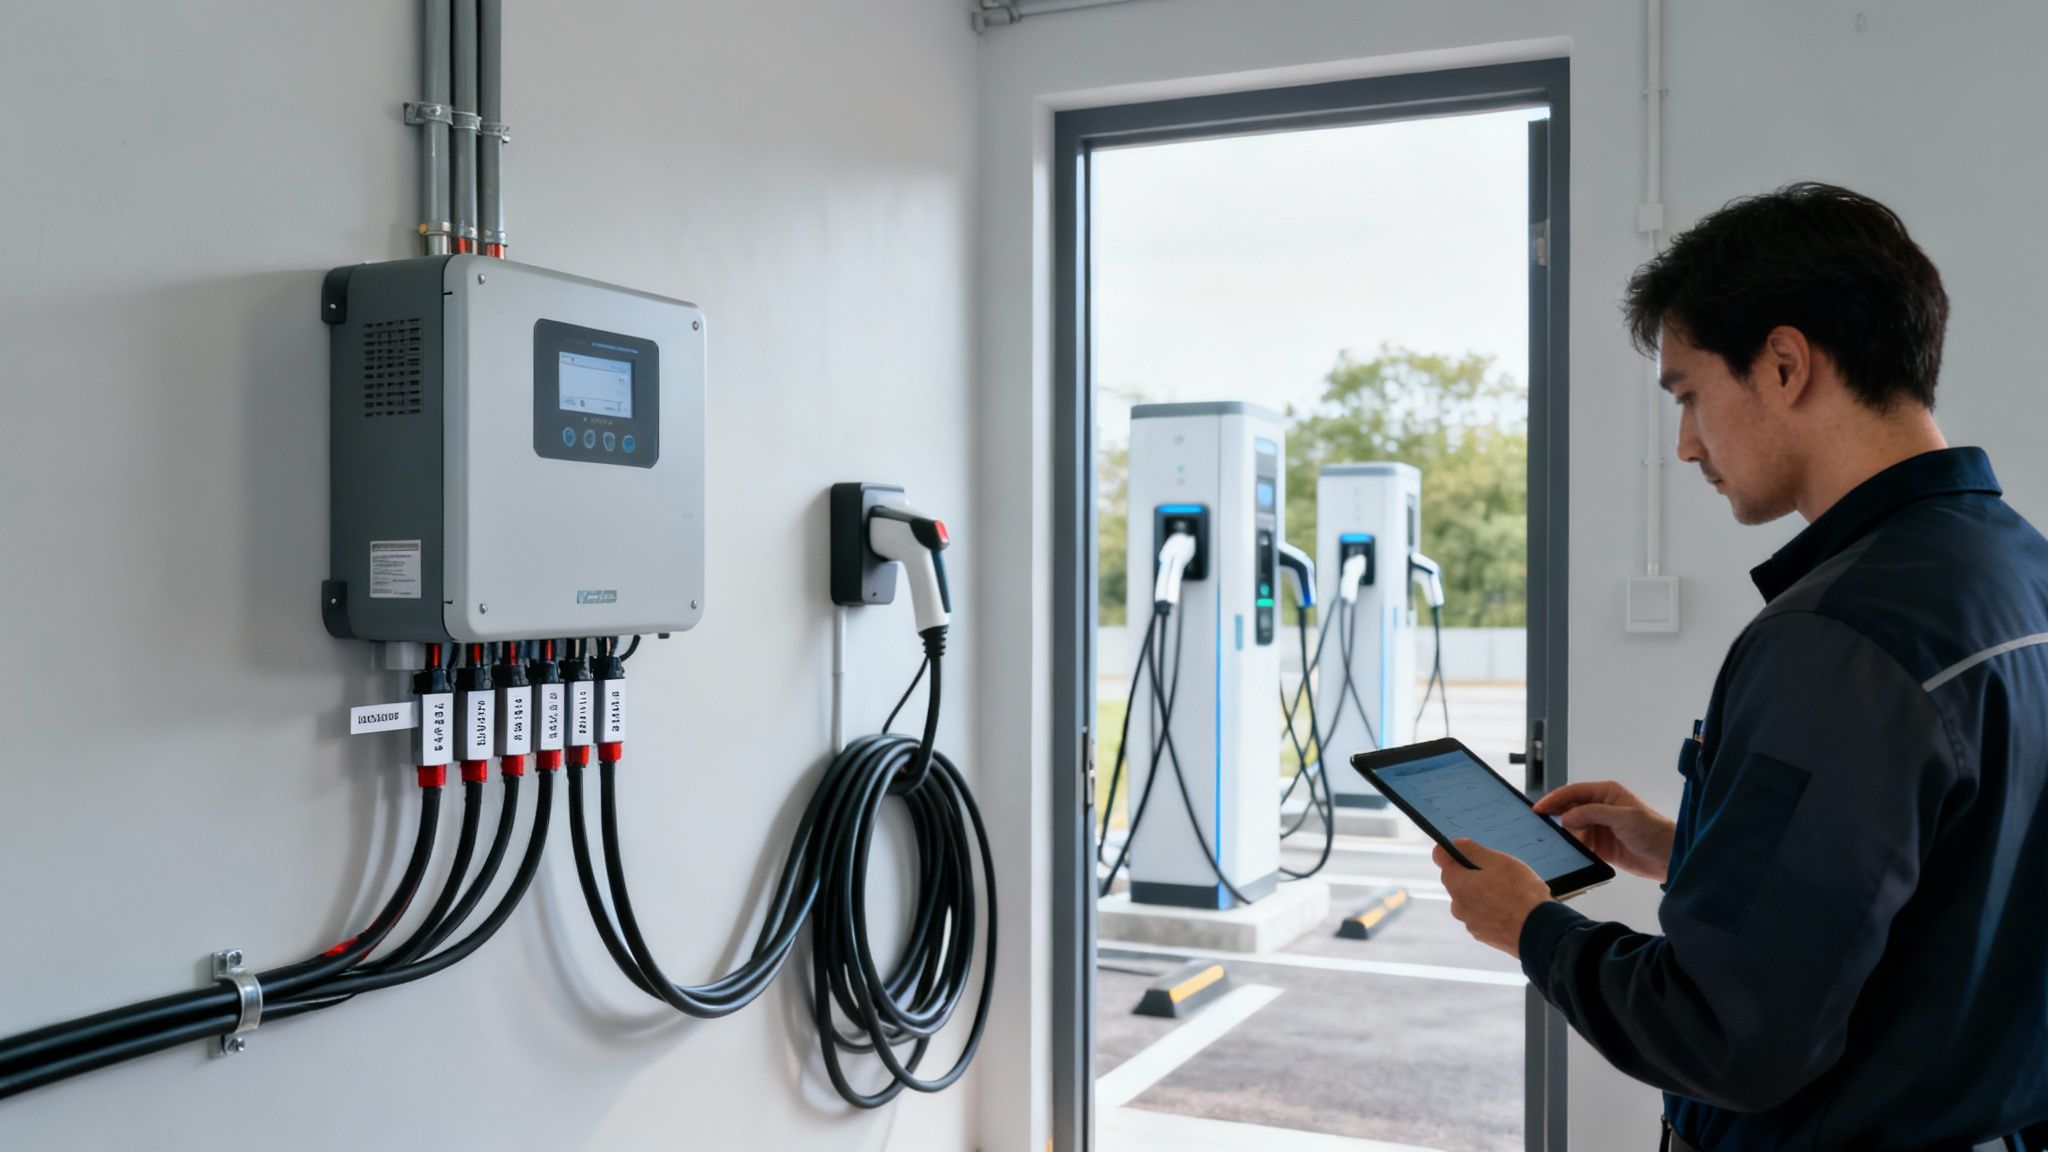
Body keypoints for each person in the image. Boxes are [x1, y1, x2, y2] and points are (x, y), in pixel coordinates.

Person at [1433, 183, 2048, 1150]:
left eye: (1687, 394)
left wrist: (1532, 929)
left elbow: (1729, 1036)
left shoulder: (1839, 636)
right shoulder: (2019, 567)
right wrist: (1692, 851)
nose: (1684, 445)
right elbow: (1957, 883)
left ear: (1784, 363)